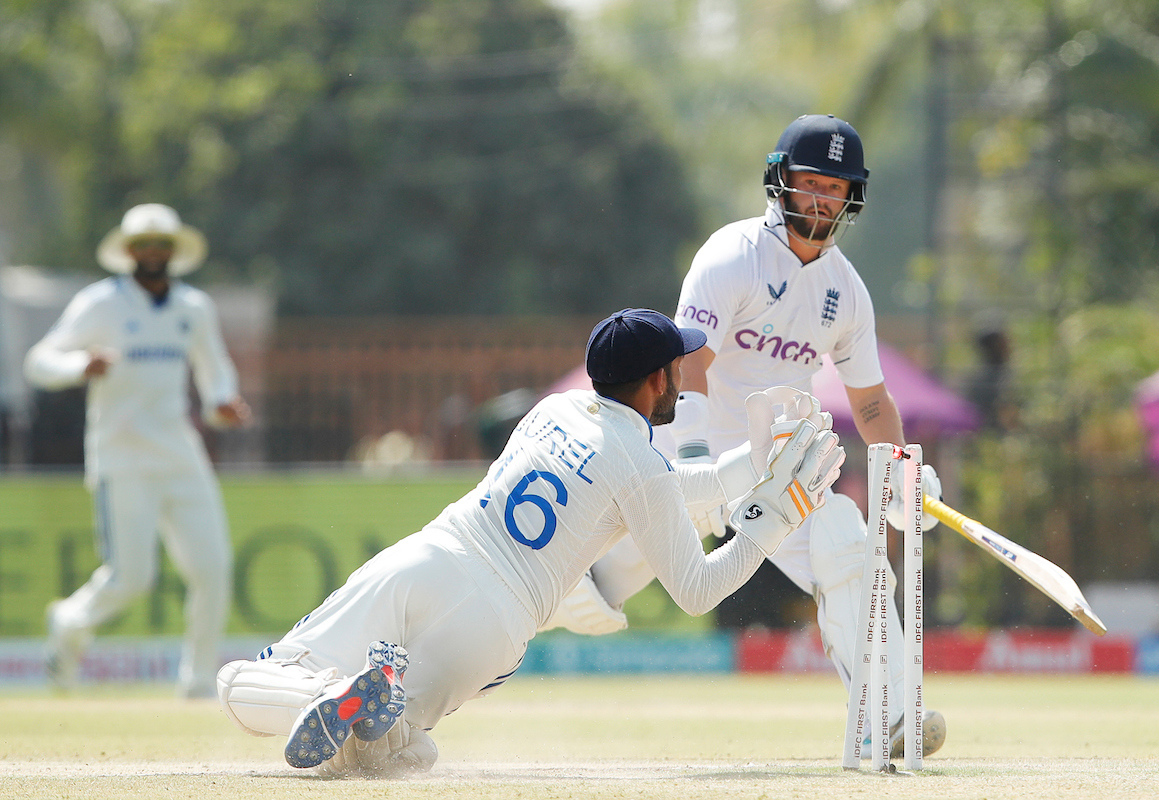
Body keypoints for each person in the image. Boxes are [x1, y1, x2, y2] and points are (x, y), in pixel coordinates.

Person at [215, 308, 846, 776]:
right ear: (658, 378)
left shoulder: (555, 409)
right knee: (389, 756)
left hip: (431, 559)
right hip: (495, 624)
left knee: (241, 683)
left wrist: (751, 462)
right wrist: (776, 516)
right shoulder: (641, 467)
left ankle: (334, 693)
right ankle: (372, 714)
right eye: (677, 369)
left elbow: (655, 486)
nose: (681, 380)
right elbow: (697, 589)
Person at [550, 115, 947, 759]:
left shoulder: (846, 291)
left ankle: (888, 715)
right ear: (780, 181)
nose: (820, 199)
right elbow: (690, 362)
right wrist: (702, 461)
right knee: (578, 587)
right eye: (809, 182)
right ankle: (517, 611)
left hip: (776, 464)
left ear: (852, 198)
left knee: (845, 540)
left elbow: (871, 400)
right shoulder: (734, 254)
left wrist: (899, 468)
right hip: (692, 450)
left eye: (834, 188)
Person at [25, 203, 251, 698]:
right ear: (128, 251)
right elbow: (40, 361)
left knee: (213, 570)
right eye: (143, 244)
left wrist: (221, 405)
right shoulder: (101, 303)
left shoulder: (193, 307)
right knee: (131, 580)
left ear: (173, 252)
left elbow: (215, 373)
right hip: (121, 457)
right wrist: (82, 364)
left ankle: (196, 684)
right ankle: (69, 620)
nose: (152, 253)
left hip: (180, 455)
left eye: (161, 245)